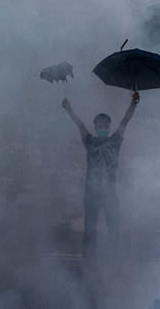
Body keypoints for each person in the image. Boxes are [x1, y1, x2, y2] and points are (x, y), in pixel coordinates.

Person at [62, 91, 139, 261]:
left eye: (106, 123)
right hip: (91, 194)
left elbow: (125, 120)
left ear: (109, 126)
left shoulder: (115, 140)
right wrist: (69, 109)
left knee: (114, 229)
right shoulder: (90, 141)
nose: (103, 126)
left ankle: (115, 259)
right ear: (96, 126)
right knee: (90, 230)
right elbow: (80, 125)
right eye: (100, 123)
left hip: (110, 193)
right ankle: (89, 262)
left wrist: (133, 104)